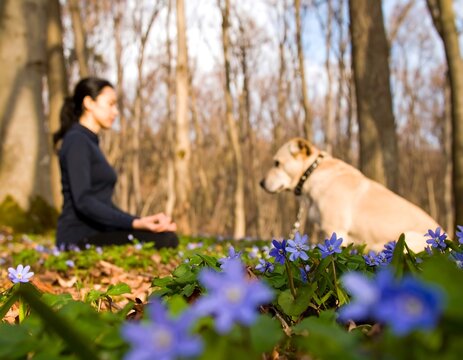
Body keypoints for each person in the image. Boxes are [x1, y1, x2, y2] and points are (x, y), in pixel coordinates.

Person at [53, 77, 178, 250]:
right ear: (89, 102)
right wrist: (135, 223)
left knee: (165, 237)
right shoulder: (77, 141)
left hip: (96, 232)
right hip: (79, 237)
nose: (116, 111)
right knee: (165, 240)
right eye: (111, 104)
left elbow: (103, 204)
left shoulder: (89, 142)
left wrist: (141, 221)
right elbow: (83, 201)